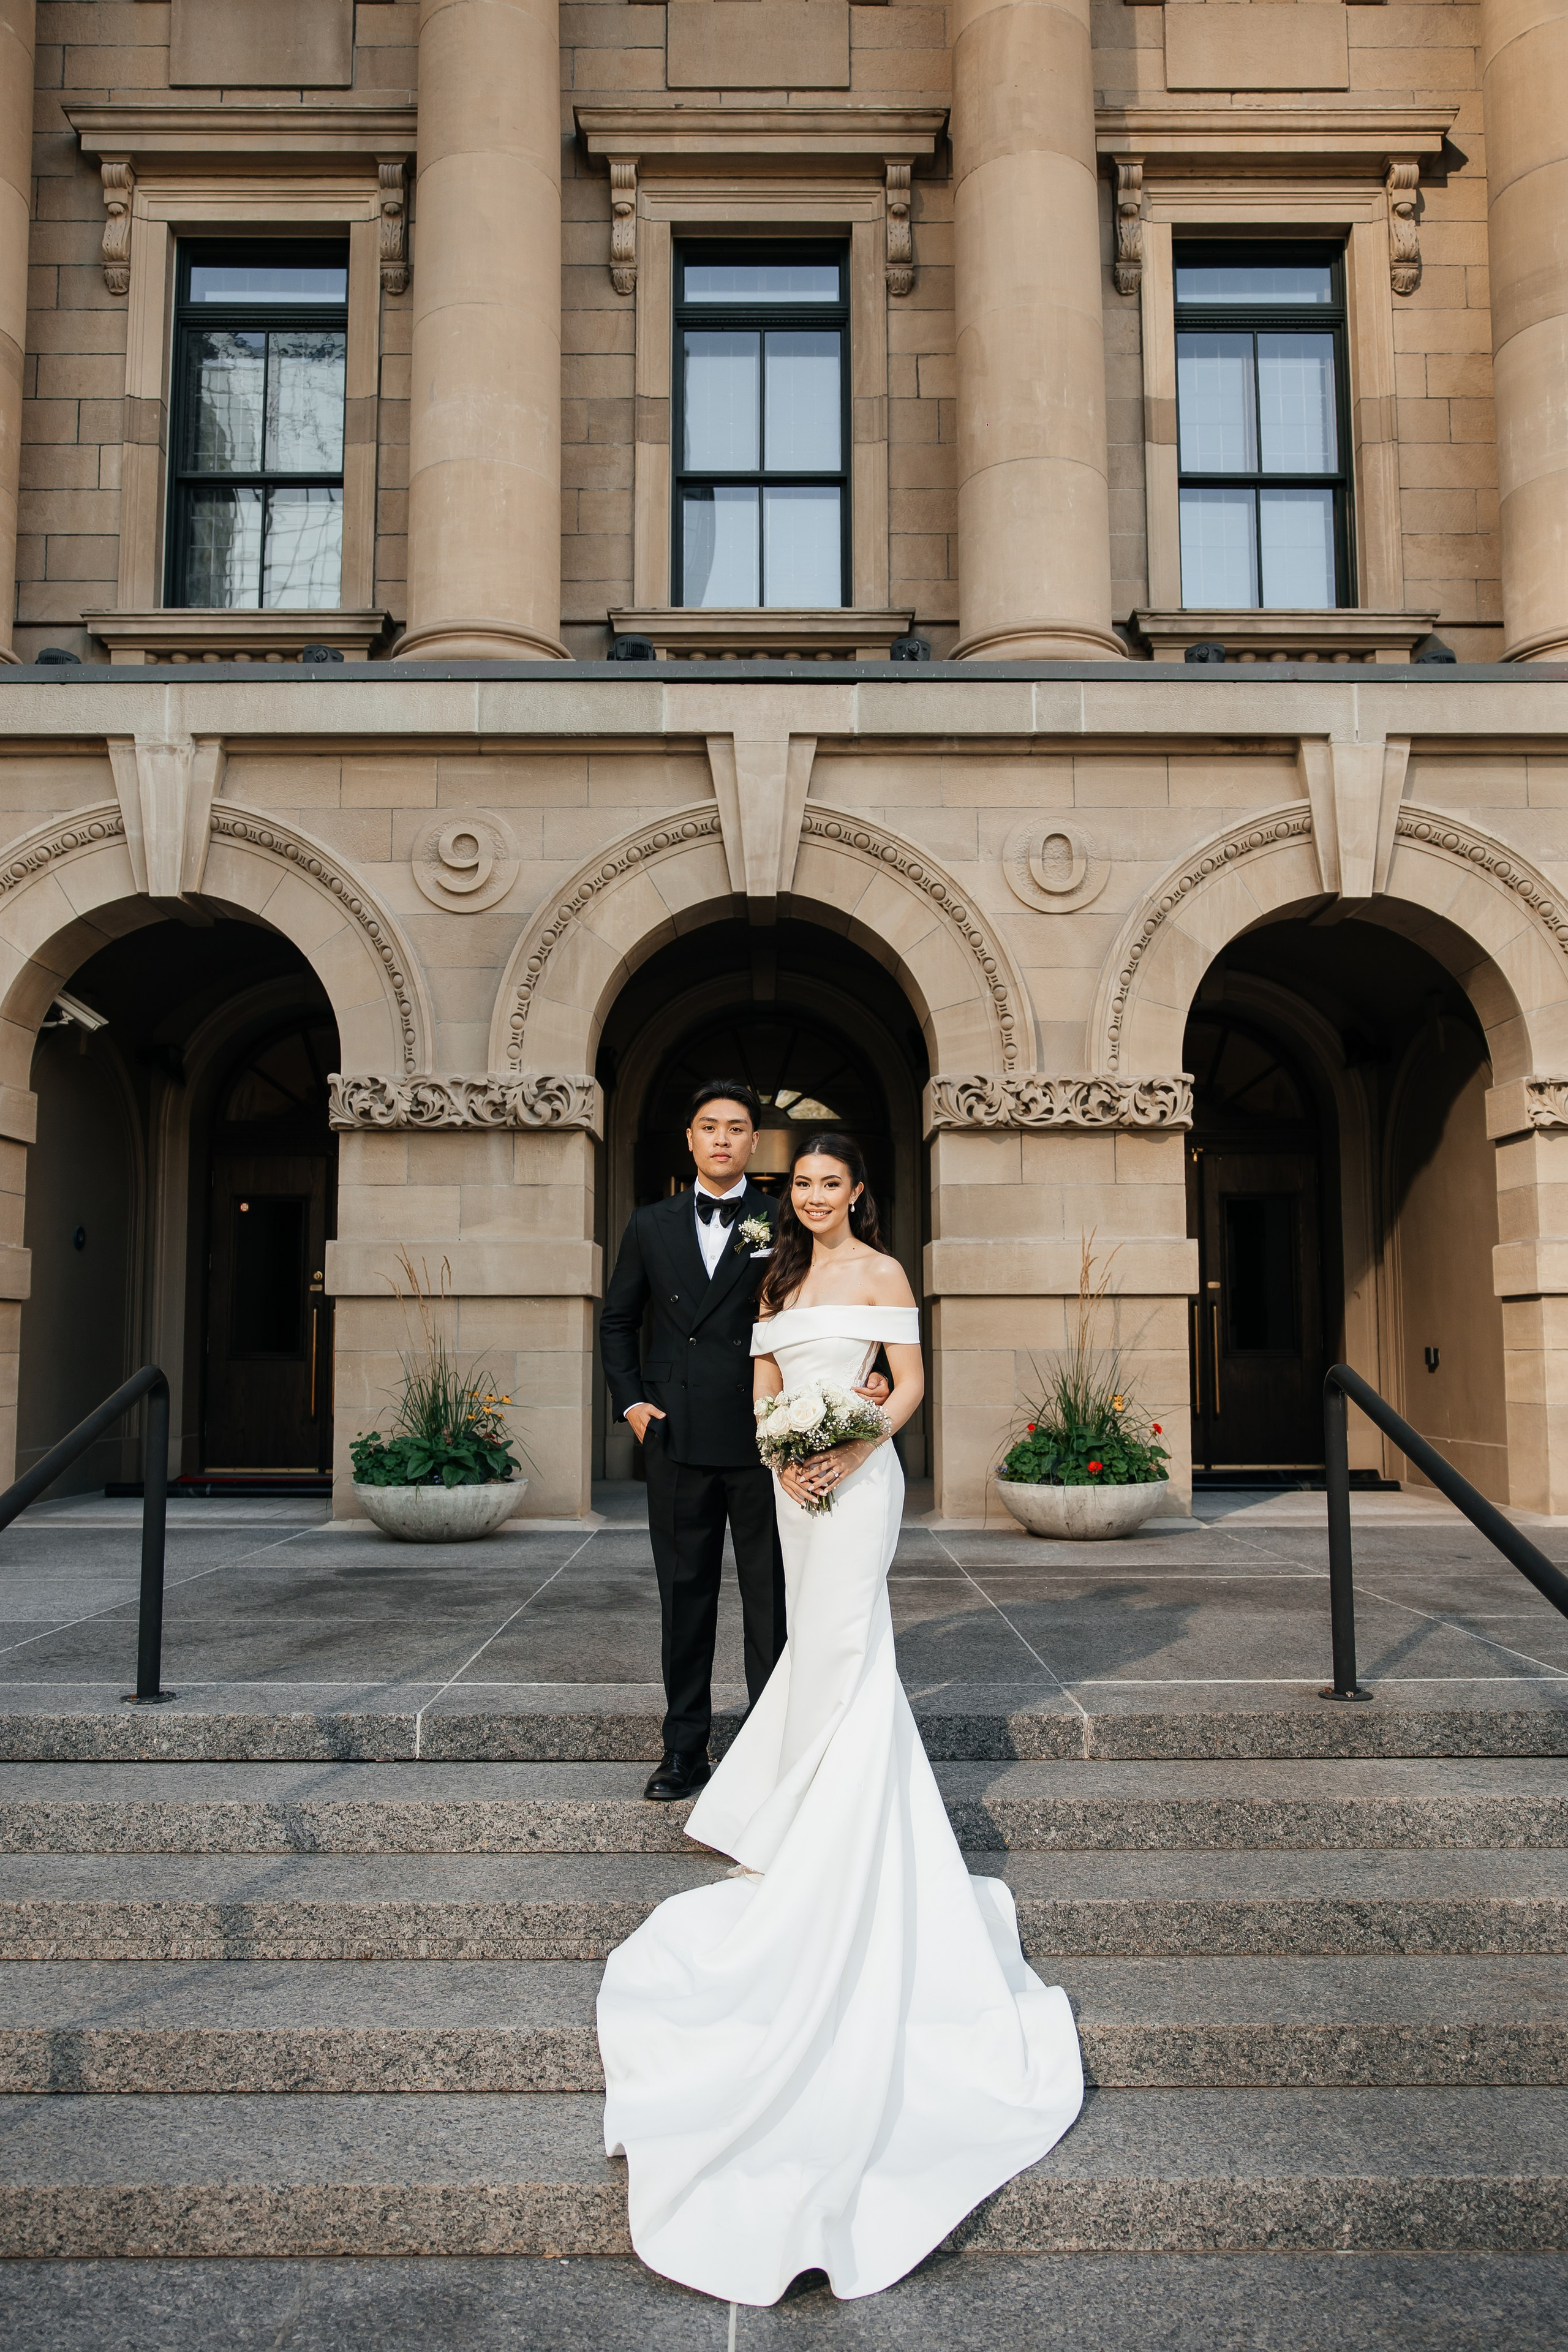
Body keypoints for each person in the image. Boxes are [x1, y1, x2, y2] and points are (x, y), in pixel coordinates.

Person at [597, 1131, 1085, 2305]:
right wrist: (784, 1455)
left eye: (830, 1183)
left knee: (850, 1644)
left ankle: (847, 1830)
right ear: (790, 1195)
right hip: (791, 1480)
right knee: (811, 1652)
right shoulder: (773, 1277)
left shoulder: (883, 1274)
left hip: (862, 1485)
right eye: (800, 1184)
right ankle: (805, 1805)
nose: (815, 1198)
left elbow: (907, 1384)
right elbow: (765, 1384)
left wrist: (849, 1448)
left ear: (855, 1191)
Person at [598, 1082, 887, 1803]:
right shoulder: (649, 1223)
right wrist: (632, 1403)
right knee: (684, 1599)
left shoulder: (780, 1220)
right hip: (674, 1433)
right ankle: (683, 1751)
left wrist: (866, 1371)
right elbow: (616, 1321)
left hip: (766, 1438)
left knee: (770, 1601)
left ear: (754, 1143)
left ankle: (767, 1753)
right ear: (690, 1139)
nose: (722, 1139)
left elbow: (833, 1299)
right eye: (709, 1127)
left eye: (736, 1129)